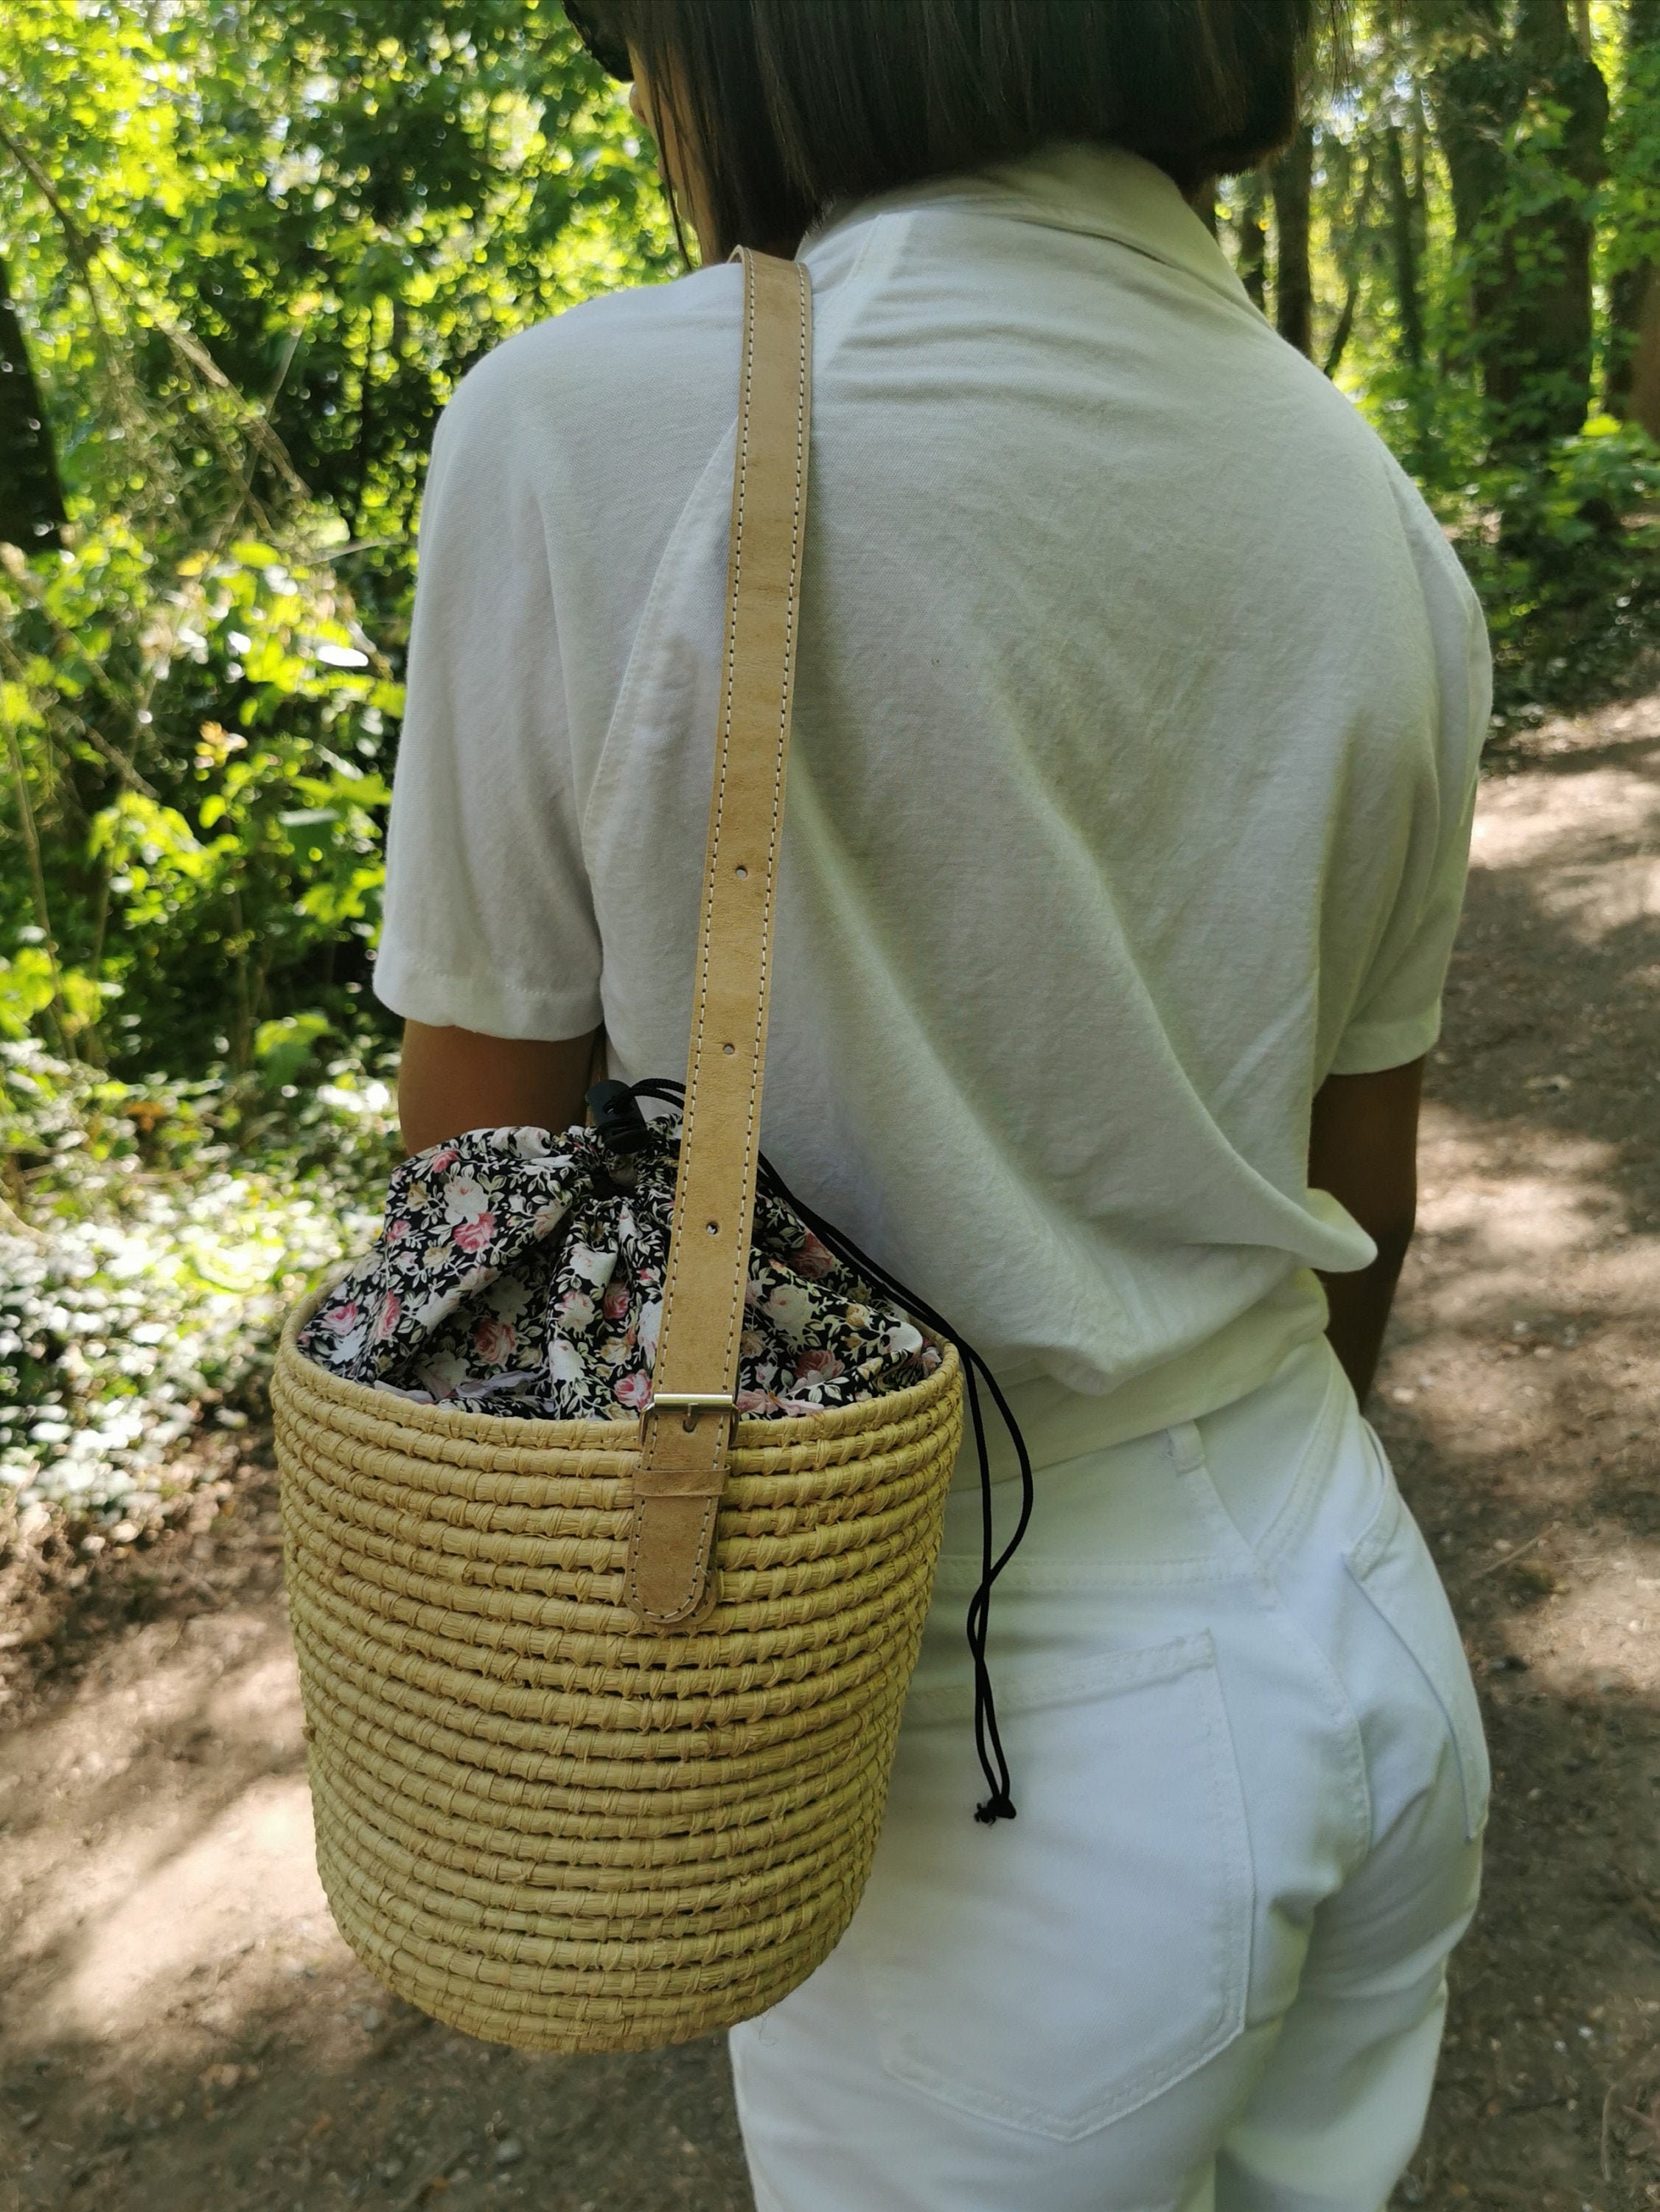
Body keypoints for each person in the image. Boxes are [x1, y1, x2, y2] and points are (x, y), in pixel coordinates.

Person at [376, 4, 1491, 2205]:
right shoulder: (1360, 498)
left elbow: (475, 1224)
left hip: (968, 1765)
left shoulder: (600, 424)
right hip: (1352, 1618)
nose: (639, 91)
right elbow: (1360, 1177)